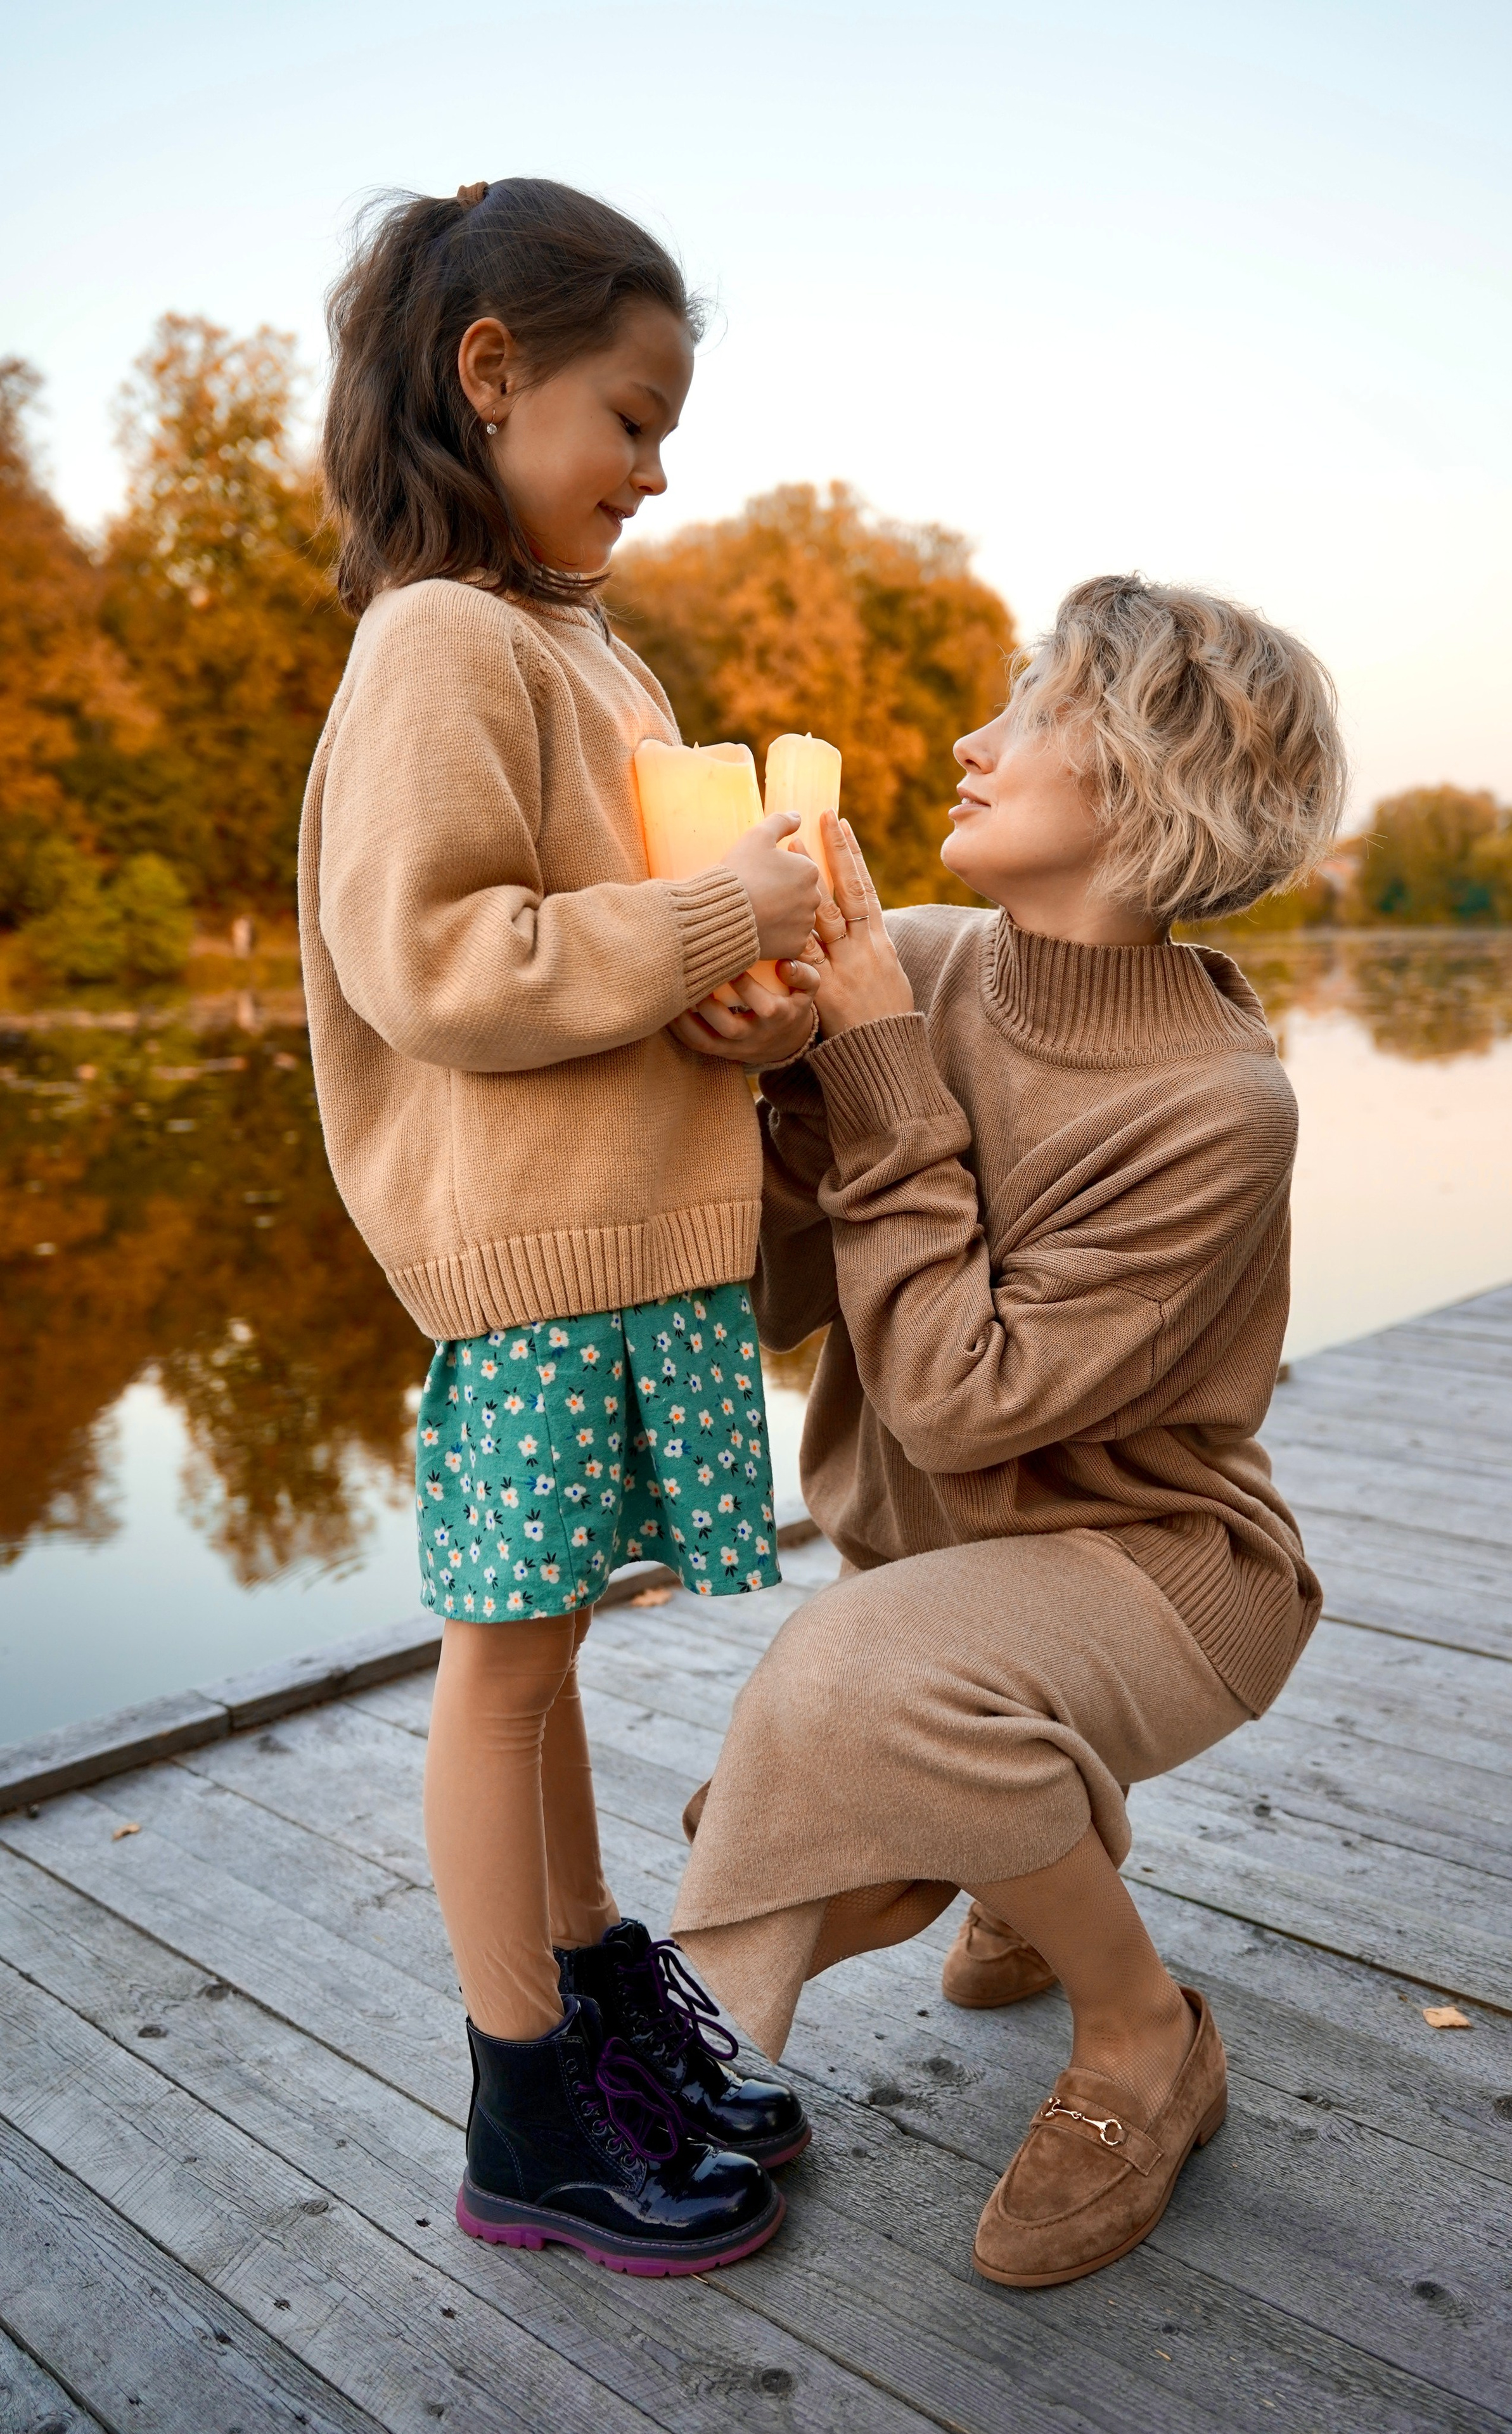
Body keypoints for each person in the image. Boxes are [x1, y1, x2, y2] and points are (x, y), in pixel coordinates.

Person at [668, 573, 1345, 2286]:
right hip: (954, 1571)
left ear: (1148, 780)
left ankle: (1142, 2033)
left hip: (1164, 1571)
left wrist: (880, 1065)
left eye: (1032, 711)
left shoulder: (1219, 1105)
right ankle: (1014, 1858)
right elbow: (777, 1298)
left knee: (856, 1709)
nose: (974, 742)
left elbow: (967, 1404)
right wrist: (760, 1097)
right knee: (778, 1799)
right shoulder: (925, 966)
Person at [300, 177, 827, 2274]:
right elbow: (442, 959)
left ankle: (602, 1999)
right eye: (634, 410)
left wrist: (741, 998)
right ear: (489, 376)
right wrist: (718, 908)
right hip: (532, 1276)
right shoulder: (438, 641)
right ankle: (526, 2100)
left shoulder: (584, 649)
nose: (660, 461)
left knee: (554, 1653)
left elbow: (605, 962)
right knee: (499, 1673)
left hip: (632, 1247)